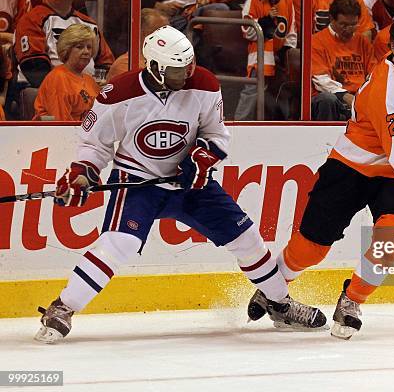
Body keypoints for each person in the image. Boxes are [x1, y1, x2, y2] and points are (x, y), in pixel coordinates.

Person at [34, 26, 325, 344]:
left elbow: (217, 135)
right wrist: (82, 174)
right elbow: (94, 144)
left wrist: (203, 158)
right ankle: (63, 307)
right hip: (138, 181)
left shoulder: (204, 83)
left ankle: (280, 304)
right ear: (156, 68)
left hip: (191, 184)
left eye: (190, 63)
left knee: (247, 238)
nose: (188, 71)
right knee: (120, 244)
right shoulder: (118, 93)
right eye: (178, 68)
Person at [247, 13, 394, 339]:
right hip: (351, 165)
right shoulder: (389, 88)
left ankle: (352, 301)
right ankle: (273, 291)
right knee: (310, 247)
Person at [14, 0, 114, 88]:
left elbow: (106, 64)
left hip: (87, 91)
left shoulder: (89, 23)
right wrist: (66, 88)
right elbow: (33, 68)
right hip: (44, 91)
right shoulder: (31, 20)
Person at [233, 0, 297, 121]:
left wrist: (286, 51)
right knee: (251, 92)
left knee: (281, 94)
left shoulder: (287, 1)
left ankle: (281, 126)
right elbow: (247, 31)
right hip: (260, 56)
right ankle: (238, 125)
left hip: (279, 57)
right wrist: (265, 20)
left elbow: (291, 33)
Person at [311, 0, 373, 121]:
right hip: (333, 97)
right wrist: (346, 96)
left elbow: (374, 75)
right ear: (332, 19)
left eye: (353, 25)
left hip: (360, 97)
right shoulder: (316, 42)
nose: (349, 30)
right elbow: (321, 81)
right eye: (343, 25)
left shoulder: (363, 42)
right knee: (327, 99)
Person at [33, 24, 100, 121]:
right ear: (67, 50)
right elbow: (61, 124)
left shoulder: (90, 80)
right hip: (56, 134)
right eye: (80, 47)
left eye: (89, 47)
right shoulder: (58, 78)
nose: (86, 51)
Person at [106, 8, 169, 81]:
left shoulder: (168, 61)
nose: (166, 37)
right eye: (160, 31)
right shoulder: (126, 64)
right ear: (142, 32)